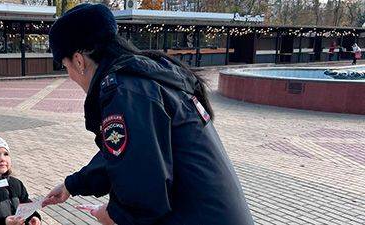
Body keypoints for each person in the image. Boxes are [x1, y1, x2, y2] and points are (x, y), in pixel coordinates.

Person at [42, 4, 254, 225]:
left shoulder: (126, 91)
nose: (70, 76)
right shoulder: (145, 79)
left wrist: (115, 215)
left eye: (65, 66)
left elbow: (142, 189)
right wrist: (72, 185)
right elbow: (127, 153)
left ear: (78, 60)